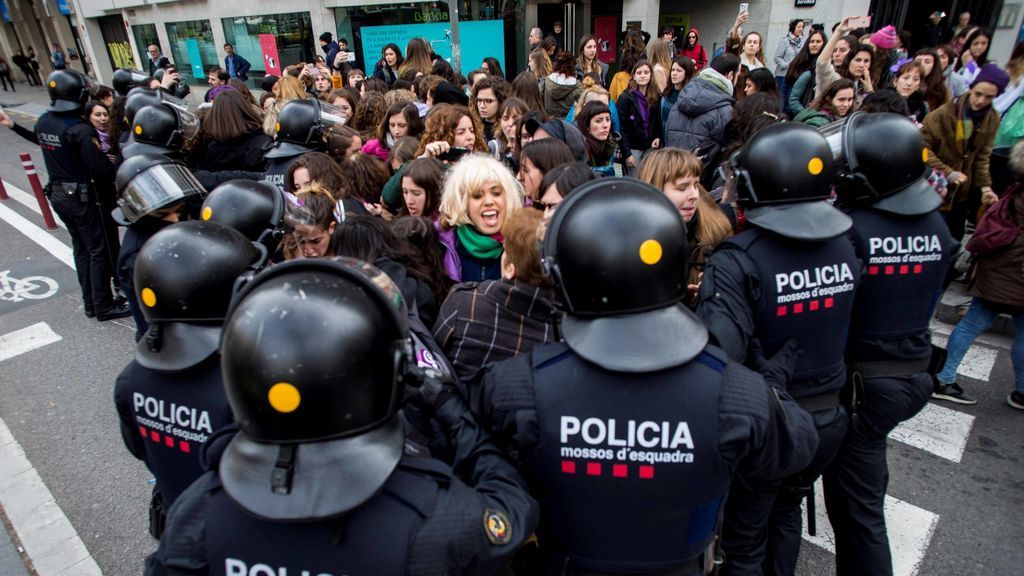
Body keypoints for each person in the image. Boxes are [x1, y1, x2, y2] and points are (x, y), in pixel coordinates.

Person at [473, 177, 818, 574]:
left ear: (564, 276)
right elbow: (797, 447)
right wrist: (769, 389)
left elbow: (472, 448)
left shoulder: (518, 386)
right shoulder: (734, 393)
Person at [146, 257, 539, 575]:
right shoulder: (433, 514)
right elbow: (512, 510)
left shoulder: (200, 511)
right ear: (387, 377)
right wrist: (456, 414)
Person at [697, 122, 858, 576]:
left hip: (767, 421)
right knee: (786, 514)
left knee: (745, 542)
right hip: (828, 419)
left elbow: (718, 354)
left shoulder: (737, 259)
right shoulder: (845, 246)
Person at [820, 111, 956, 576]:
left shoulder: (852, 230)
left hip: (863, 383)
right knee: (862, 496)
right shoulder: (936, 228)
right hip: (909, 373)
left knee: (856, 514)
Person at [114, 220, 260, 538]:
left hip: (179, 525)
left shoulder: (130, 381)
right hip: (242, 533)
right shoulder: (247, 384)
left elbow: (140, 448)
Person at [1, 70, 128, 321]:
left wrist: (13, 125)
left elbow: (38, 139)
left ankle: (91, 303)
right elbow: (101, 170)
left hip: (59, 195)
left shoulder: (46, 120)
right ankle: (103, 305)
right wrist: (123, 159)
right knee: (98, 251)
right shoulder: (80, 130)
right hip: (83, 198)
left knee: (81, 249)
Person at [933, 140, 1024, 409]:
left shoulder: (1015, 191)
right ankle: (1021, 390)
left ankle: (944, 376)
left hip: (998, 269)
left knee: (973, 322)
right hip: (1015, 274)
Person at [432, 207, 556, 384]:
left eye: (506, 249)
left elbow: (432, 360)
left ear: (510, 268)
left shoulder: (464, 304)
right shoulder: (563, 330)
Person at [114, 154, 208, 335]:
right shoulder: (137, 256)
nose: (174, 219)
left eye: (179, 211)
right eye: (163, 215)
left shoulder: (179, 222)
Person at [921, 63, 1007, 242]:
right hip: (934, 187)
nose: (981, 100)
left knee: (954, 239)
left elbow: (982, 156)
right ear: (971, 88)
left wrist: (985, 188)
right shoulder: (942, 115)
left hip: (961, 193)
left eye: (988, 97)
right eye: (978, 94)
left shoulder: (991, 118)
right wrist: (948, 172)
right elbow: (922, 150)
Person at [638, 148, 733, 306]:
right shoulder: (633, 241)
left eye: (696, 185)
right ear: (655, 189)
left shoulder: (716, 233)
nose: (694, 195)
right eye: (682, 188)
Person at [437, 155, 524, 282]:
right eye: (477, 196)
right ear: (463, 203)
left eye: (496, 193)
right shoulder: (442, 246)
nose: (489, 201)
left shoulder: (523, 244)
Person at [264, 98, 347, 190]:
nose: (327, 136)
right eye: (325, 132)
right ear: (307, 132)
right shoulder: (310, 167)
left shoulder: (272, 169)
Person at [665, 53, 739, 151]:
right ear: (730, 75)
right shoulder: (725, 110)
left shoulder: (681, 98)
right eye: (738, 74)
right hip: (700, 165)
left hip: (674, 162)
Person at [616, 61, 662, 176]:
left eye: (646, 72)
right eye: (639, 72)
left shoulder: (655, 97)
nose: (642, 75)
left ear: (651, 75)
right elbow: (621, 127)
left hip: (650, 148)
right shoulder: (625, 98)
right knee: (634, 182)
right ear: (634, 76)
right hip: (633, 148)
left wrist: (657, 136)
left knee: (649, 181)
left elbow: (657, 121)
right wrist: (627, 154)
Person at [416, 103, 487, 159]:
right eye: (461, 132)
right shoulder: (435, 164)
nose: (470, 137)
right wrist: (424, 159)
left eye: (472, 131)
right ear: (443, 136)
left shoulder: (483, 162)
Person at [576, 101, 619, 176]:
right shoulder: (582, 151)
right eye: (598, 121)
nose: (605, 125)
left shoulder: (606, 144)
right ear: (587, 126)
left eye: (608, 119)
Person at [949, 27, 992, 97]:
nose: (979, 47)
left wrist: (970, 65)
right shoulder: (954, 61)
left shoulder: (988, 66)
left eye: (984, 43)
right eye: (976, 43)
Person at [541, 51, 583, 119]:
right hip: (568, 124)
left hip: (549, 122)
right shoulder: (577, 86)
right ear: (573, 66)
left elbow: (539, 98)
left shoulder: (546, 82)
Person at [471, 76, 511, 142]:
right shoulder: (472, 126)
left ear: (501, 101)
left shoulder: (508, 127)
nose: (482, 106)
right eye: (479, 100)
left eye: (488, 101)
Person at [774, 19, 806, 98]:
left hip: (796, 74)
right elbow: (777, 57)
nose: (801, 29)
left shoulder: (803, 42)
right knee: (781, 97)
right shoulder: (785, 40)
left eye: (802, 27)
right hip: (783, 74)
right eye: (799, 27)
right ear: (793, 27)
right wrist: (787, 65)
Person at [661, 56, 695, 127]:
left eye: (678, 71)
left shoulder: (690, 96)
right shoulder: (667, 92)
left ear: (687, 73)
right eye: (673, 70)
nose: (674, 73)